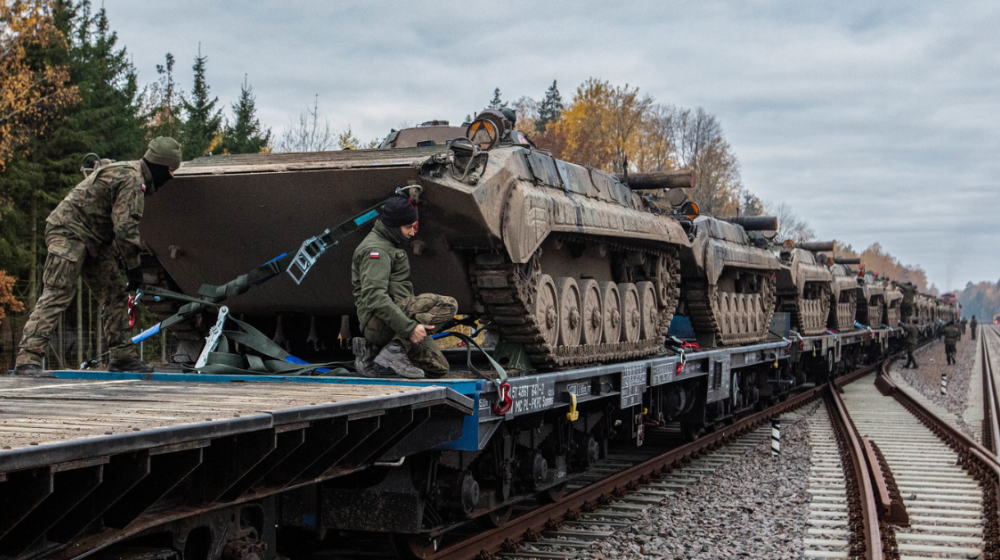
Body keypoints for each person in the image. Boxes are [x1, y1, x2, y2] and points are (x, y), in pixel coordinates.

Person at [14, 138, 182, 376]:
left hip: (93, 239)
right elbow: (125, 231)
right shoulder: (133, 180)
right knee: (58, 291)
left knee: (114, 293)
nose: (173, 177)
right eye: (172, 170)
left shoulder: (130, 172)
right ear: (161, 166)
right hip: (68, 231)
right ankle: (27, 359)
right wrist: (134, 269)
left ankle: (122, 357)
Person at [350, 194, 457, 379]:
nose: (412, 233)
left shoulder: (389, 245)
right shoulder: (377, 250)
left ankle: (376, 350)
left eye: (414, 226)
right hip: (378, 322)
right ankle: (393, 349)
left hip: (396, 319)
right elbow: (374, 297)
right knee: (448, 305)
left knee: (438, 368)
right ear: (393, 225)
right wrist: (409, 329)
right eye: (408, 227)